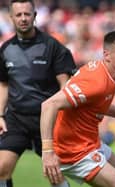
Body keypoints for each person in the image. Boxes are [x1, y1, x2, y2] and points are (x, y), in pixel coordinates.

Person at [40, 30, 115, 187]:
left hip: (91, 143)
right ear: (107, 55)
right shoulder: (97, 82)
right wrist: (48, 152)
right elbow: (49, 105)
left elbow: (98, 103)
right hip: (75, 152)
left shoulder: (104, 73)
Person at [0, 0, 77, 187]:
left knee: (54, 173)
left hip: (47, 120)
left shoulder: (53, 47)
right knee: (1, 168)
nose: (23, 18)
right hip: (17, 118)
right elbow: (3, 84)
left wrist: (66, 117)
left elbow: (65, 86)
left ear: (35, 16)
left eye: (27, 14)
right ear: (11, 18)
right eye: (18, 15)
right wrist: (0, 114)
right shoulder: (5, 49)